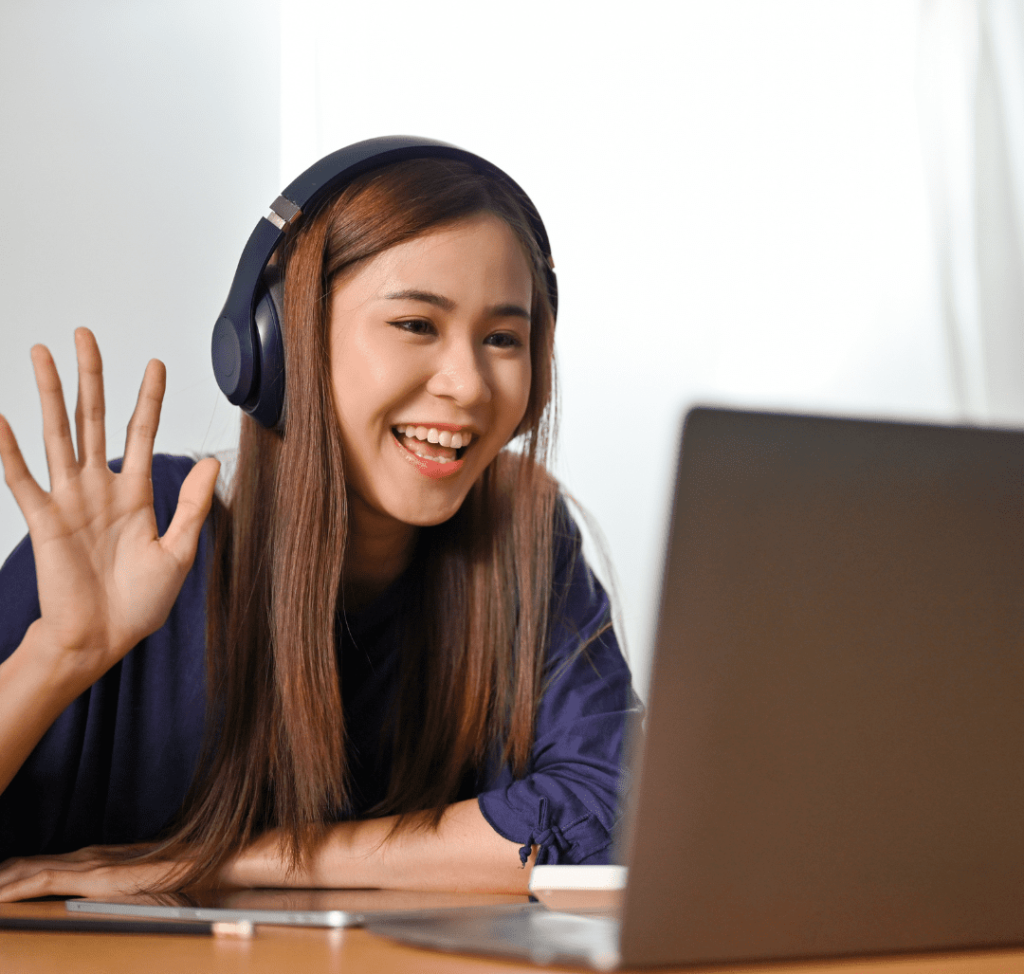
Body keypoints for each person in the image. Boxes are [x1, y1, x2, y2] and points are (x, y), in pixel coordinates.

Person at [0, 138, 636, 901]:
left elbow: (605, 818)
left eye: (503, 338)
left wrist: (214, 862)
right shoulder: (142, 529)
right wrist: (60, 653)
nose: (467, 385)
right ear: (279, 345)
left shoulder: (526, 537)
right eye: (416, 325)